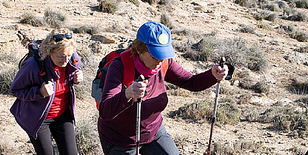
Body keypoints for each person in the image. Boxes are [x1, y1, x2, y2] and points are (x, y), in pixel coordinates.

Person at [97, 21, 228, 155]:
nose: (160, 61)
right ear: (139, 50)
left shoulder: (164, 63)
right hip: (120, 140)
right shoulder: (119, 66)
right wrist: (127, 94)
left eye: (163, 54)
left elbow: (191, 82)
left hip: (153, 133)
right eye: (155, 55)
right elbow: (106, 111)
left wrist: (212, 75)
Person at [9, 28, 84, 155]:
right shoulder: (33, 66)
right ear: (50, 52)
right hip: (39, 118)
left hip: (62, 114)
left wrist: (76, 78)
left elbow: (75, 68)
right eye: (61, 56)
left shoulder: (71, 60)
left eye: (69, 55)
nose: (66, 60)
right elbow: (15, 90)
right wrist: (39, 92)